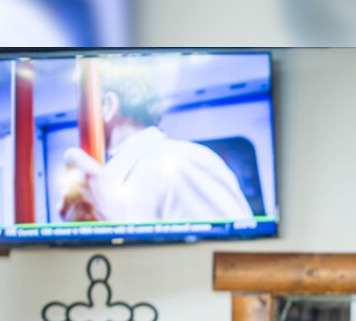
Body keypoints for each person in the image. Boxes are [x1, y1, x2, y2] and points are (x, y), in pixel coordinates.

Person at [60, 61, 253, 224]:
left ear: (109, 106)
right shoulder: (112, 180)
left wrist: (114, 227)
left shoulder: (184, 163)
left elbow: (234, 264)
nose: (80, 122)